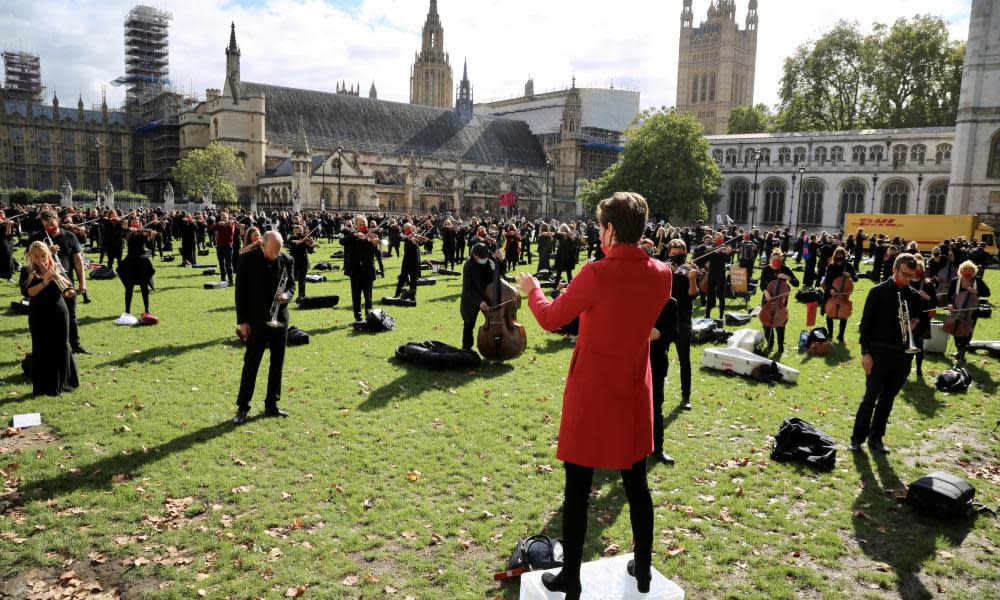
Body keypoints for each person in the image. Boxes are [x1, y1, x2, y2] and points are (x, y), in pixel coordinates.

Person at [515, 192, 672, 599]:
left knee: (577, 485)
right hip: (634, 389)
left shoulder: (595, 272)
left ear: (610, 230)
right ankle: (644, 568)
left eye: (600, 225)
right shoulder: (662, 273)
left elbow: (551, 319)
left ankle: (571, 578)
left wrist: (533, 289)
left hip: (594, 390)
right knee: (637, 484)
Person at [850, 253, 920, 454]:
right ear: (894, 269)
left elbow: (923, 329)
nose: (907, 279)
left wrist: (915, 326)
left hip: (902, 357)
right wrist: (865, 353)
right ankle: (857, 439)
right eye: (904, 274)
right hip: (878, 354)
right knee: (869, 398)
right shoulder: (877, 292)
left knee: (887, 400)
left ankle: (876, 439)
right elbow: (865, 325)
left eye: (911, 276)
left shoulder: (914, 296)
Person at [233, 231, 295, 425]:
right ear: (261, 245)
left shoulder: (286, 259)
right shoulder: (247, 258)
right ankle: (243, 407)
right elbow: (240, 291)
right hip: (256, 321)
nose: (274, 255)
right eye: (271, 251)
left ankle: (271, 404)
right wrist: (243, 321)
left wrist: (287, 296)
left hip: (280, 321)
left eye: (278, 251)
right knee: (251, 364)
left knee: (277, 364)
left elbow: (292, 286)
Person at [19, 241, 79, 396]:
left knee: (61, 344)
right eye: (36, 256)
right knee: (41, 347)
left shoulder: (55, 266)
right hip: (39, 313)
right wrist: (45, 281)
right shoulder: (27, 270)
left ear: (48, 254)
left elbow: (69, 287)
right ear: (31, 256)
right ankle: (45, 386)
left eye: (43, 255)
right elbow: (28, 293)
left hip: (59, 311)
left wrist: (57, 275)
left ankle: (64, 382)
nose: (40, 259)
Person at [31, 210, 89, 354]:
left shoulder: (69, 236)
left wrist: (83, 282)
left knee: (71, 315)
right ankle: (55, 348)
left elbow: (78, 261)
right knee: (50, 317)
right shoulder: (38, 238)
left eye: (51, 224)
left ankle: (75, 345)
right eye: (45, 225)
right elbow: (30, 258)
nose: (49, 228)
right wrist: (47, 252)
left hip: (65, 280)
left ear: (58, 220)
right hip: (45, 283)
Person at [945, 260, 992, 363]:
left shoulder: (977, 281)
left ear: (973, 271)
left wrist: (976, 291)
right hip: (957, 309)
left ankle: (962, 352)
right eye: (965, 269)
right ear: (961, 270)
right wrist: (950, 305)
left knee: (967, 332)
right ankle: (959, 350)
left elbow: (988, 293)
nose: (967, 271)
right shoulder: (955, 281)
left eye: (970, 269)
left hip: (971, 312)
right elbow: (949, 296)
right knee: (956, 330)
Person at [341, 214, 382, 322]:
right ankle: (357, 318)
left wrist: (375, 245)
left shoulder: (372, 235)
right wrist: (355, 235)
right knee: (356, 296)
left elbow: (379, 254)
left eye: (364, 224)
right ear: (356, 225)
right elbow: (342, 242)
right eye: (360, 225)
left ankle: (369, 317)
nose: (362, 226)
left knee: (368, 297)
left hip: (368, 270)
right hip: (355, 270)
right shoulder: (352, 235)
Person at [758, 249, 799, 354]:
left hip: (781, 301)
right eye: (774, 259)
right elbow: (762, 284)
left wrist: (788, 278)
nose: (776, 261)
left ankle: (780, 346)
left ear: (781, 259)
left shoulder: (785, 269)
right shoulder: (766, 269)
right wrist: (766, 292)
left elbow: (796, 283)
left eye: (778, 259)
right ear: (770, 259)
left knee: (780, 323)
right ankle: (770, 344)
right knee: (766, 323)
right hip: (767, 300)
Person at [117, 219, 157, 319]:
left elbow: (150, 247)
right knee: (129, 288)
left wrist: (151, 237)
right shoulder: (129, 234)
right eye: (134, 222)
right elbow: (124, 235)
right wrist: (129, 230)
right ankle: (127, 310)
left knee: (144, 286)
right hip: (130, 262)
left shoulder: (143, 234)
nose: (136, 224)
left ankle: (147, 308)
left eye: (138, 223)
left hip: (142, 262)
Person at [459, 244, 496, 351]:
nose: (485, 259)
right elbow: (468, 288)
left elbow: (495, 278)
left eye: (486, 257)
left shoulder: (489, 262)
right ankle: (466, 349)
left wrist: (501, 261)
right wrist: (479, 301)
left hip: (488, 296)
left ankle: (495, 347)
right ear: (475, 255)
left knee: (494, 322)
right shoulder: (468, 266)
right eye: (482, 257)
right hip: (471, 299)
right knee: (469, 325)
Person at [822, 247, 857, 343]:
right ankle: (830, 333)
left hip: (844, 296)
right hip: (832, 293)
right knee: (829, 313)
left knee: (844, 315)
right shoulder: (831, 266)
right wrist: (831, 289)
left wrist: (851, 275)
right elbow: (827, 281)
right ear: (835, 256)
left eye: (842, 255)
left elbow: (856, 278)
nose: (840, 257)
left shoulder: (848, 266)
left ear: (845, 256)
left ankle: (841, 335)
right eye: (838, 255)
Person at [395, 222, 426, 301]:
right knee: (402, 276)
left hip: (414, 259)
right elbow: (398, 238)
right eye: (406, 229)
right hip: (406, 259)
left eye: (409, 228)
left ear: (412, 228)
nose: (408, 230)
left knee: (413, 277)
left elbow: (419, 244)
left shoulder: (414, 236)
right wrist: (405, 236)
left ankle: (413, 295)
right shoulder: (404, 235)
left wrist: (419, 241)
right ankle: (397, 293)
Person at [209, 212, 238, 285]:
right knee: (221, 264)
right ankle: (223, 279)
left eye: (226, 217)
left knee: (228, 264)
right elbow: (210, 230)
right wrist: (217, 224)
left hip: (228, 246)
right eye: (223, 217)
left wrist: (231, 226)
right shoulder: (219, 225)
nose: (224, 218)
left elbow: (231, 234)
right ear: (220, 218)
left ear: (228, 218)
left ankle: (230, 281)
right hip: (220, 246)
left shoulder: (231, 224)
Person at [287, 225, 314, 301]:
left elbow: (310, 251)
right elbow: (287, 243)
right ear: (294, 231)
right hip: (294, 261)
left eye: (301, 230)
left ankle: (302, 295)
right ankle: (288, 295)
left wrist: (311, 245)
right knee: (291, 279)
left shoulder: (306, 239)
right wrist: (295, 241)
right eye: (298, 231)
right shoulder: (292, 238)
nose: (300, 232)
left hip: (303, 260)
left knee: (302, 279)